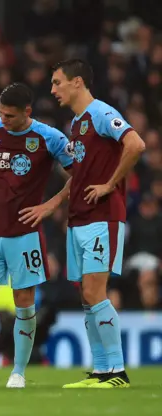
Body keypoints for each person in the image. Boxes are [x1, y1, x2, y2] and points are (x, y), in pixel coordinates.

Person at [0, 83, 73, 389]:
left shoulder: (49, 138)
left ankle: (18, 371)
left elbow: (80, 174)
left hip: (25, 234)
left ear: (27, 112)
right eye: (0, 113)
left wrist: (51, 204)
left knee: (25, 303)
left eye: (10, 115)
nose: (4, 119)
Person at [51, 59, 146, 389]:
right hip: (79, 218)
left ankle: (118, 372)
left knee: (95, 291)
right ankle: (102, 371)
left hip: (102, 217)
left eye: (57, 82)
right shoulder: (76, 123)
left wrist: (109, 185)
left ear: (77, 82)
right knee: (86, 296)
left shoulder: (102, 113)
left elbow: (135, 144)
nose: (53, 89)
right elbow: (79, 174)